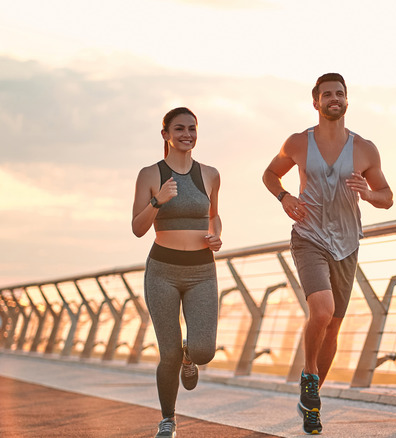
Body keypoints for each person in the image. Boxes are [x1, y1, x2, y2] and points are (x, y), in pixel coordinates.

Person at [263, 73, 393, 434]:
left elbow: (387, 197)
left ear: (347, 100)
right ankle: (309, 374)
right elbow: (270, 174)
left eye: (340, 94)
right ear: (315, 101)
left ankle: (311, 403)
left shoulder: (365, 149)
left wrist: (367, 193)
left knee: (333, 326)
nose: (334, 99)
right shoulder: (297, 143)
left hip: (347, 245)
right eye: (327, 94)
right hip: (309, 238)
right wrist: (285, 197)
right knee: (322, 309)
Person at [132, 107, 222, 438]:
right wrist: (157, 202)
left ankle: (190, 358)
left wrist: (216, 235)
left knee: (203, 350)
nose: (187, 134)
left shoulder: (210, 174)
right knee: (167, 352)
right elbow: (137, 228)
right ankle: (168, 419)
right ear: (165, 134)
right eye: (180, 128)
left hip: (201, 271)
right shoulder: (150, 174)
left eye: (192, 128)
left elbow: (214, 216)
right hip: (162, 272)